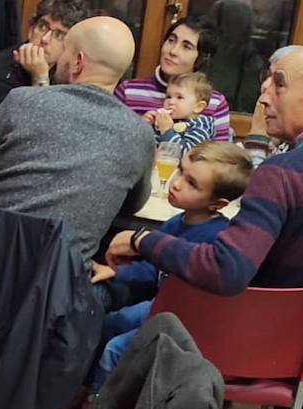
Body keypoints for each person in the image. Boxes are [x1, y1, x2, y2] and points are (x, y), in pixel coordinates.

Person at [106, 47, 303, 409]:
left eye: (278, 81)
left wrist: (146, 240)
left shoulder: (282, 174)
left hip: (246, 348)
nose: (263, 93)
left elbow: (227, 270)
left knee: (123, 321)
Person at [0, 16, 153, 262]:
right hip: (61, 287)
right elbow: (131, 205)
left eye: (65, 53)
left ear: (77, 62)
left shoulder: (20, 101)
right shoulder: (139, 134)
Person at [89, 142, 251, 389]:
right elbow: (154, 267)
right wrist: (116, 271)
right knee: (111, 322)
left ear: (217, 204)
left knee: (115, 350)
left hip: (187, 317)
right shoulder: (177, 221)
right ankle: (90, 386)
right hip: (162, 304)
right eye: (180, 170)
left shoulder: (216, 237)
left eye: (192, 183)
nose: (176, 182)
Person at [0, 0, 91, 142]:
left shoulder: (66, 71)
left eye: (59, 35)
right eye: (42, 26)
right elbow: (33, 137)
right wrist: (40, 77)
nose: (45, 39)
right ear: (30, 28)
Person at [115, 17, 233, 141]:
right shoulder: (128, 91)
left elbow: (220, 157)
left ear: (201, 58)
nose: (173, 51)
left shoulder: (215, 103)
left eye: (186, 47)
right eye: (171, 40)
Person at [153, 72, 219, 150]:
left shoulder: (200, 129)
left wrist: (167, 131)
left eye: (179, 97)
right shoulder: (167, 121)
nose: (171, 102)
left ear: (198, 107)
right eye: (168, 96)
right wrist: (146, 125)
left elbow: (185, 153)